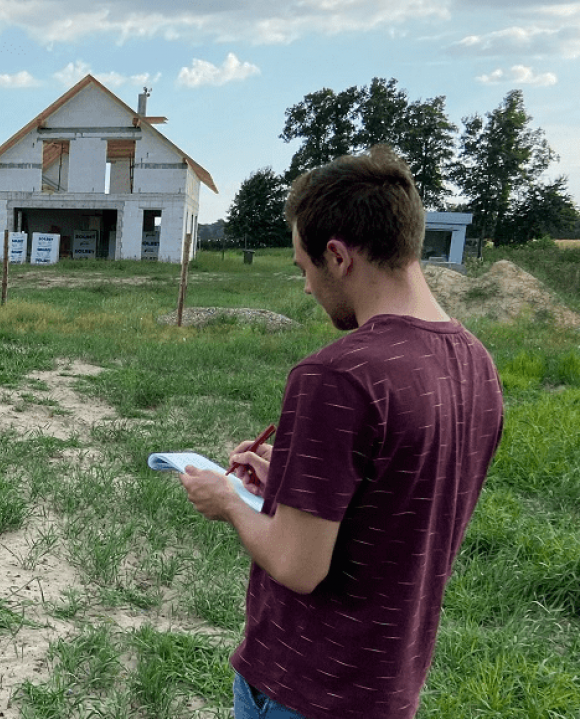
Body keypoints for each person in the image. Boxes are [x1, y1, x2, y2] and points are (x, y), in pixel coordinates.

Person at [178, 145, 503, 719]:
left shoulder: (337, 375)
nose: (306, 287)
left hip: (307, 684)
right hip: (386, 683)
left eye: (304, 269)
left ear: (337, 256)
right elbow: (396, 498)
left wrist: (227, 500)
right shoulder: (475, 362)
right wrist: (291, 478)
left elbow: (299, 567)